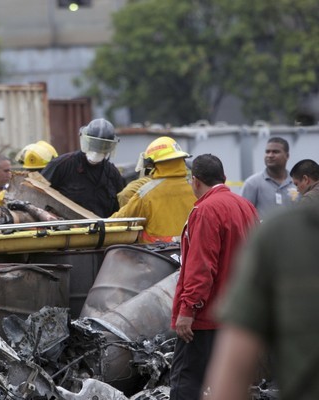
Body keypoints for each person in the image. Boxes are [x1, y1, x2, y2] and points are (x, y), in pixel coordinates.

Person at [203, 204, 319, 400]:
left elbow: (234, 371)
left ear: (195, 182)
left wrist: (187, 309)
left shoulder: (284, 232)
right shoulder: (258, 215)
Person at [169, 154, 259, 400]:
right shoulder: (245, 206)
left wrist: (187, 311)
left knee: (185, 382)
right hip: (237, 315)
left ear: (195, 181)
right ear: (224, 178)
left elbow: (201, 268)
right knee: (230, 385)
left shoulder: (205, 210)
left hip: (206, 317)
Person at [110, 136, 196, 243]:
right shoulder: (196, 190)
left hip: (156, 256)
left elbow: (121, 220)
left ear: (153, 163)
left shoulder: (147, 193)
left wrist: (96, 226)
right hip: (189, 256)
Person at [40, 118, 126, 217]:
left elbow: (121, 209)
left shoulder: (113, 174)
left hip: (102, 230)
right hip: (66, 230)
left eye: (103, 146)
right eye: (94, 144)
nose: (97, 150)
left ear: (110, 147)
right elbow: (38, 193)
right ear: (86, 140)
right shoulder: (62, 165)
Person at [241, 137, 298, 218]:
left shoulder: (296, 183)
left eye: (275, 152)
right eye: (267, 152)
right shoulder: (252, 183)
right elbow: (243, 216)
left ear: (287, 155)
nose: (270, 155)